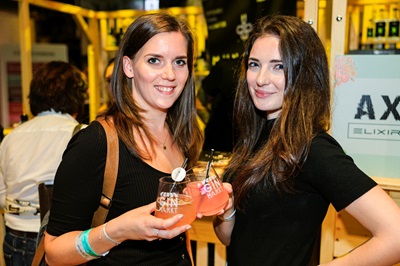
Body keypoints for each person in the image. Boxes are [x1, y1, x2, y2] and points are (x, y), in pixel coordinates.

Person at [213, 15, 400, 266]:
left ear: (304, 74)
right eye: (254, 64)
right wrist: (226, 212)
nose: (261, 78)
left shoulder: (312, 148)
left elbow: (396, 234)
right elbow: (230, 239)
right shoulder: (255, 137)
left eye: (278, 66)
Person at [44, 12, 203, 265]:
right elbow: (53, 252)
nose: (170, 74)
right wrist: (116, 231)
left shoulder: (182, 136)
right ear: (128, 66)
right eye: (154, 60)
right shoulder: (96, 142)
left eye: (180, 62)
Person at [0, 61, 88, 266]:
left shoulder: (11, 137)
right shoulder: (83, 134)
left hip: (15, 237)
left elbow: (2, 195)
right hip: (59, 240)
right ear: (76, 95)